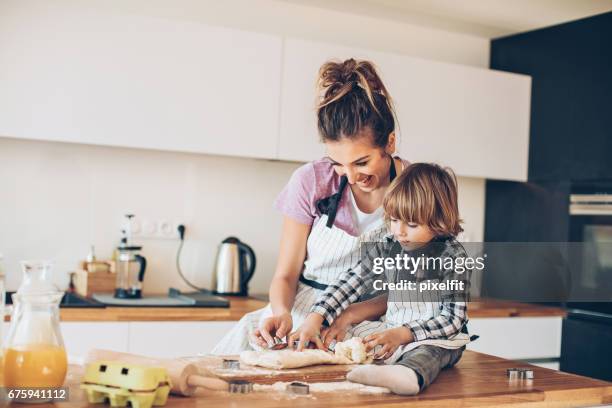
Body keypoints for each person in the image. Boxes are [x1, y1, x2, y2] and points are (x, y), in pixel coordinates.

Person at [211, 58, 409, 354]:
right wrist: (281, 312)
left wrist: (345, 316)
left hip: (376, 316)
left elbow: (413, 285)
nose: (352, 176)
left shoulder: (417, 187)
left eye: (362, 162)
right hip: (305, 310)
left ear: (390, 143)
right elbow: (286, 275)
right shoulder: (311, 180)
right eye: (338, 164)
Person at [290, 163, 473, 395]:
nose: (400, 231)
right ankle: (368, 369)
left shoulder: (452, 256)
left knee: (427, 353)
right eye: (394, 220)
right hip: (392, 329)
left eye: (412, 224)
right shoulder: (390, 245)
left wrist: (404, 334)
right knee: (350, 335)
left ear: (439, 222)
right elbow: (352, 281)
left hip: (437, 339)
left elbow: (453, 320)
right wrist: (317, 316)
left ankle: (409, 375)